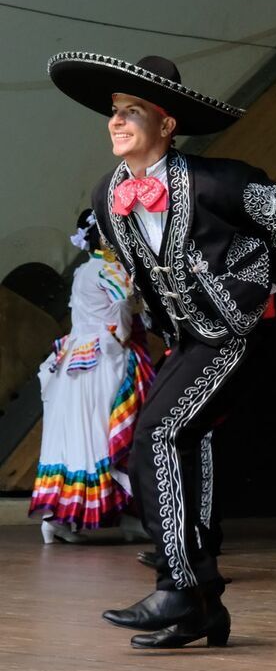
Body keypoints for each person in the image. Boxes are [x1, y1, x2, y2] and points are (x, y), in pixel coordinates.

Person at [48, 52, 276, 648]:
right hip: (189, 339)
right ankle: (201, 607)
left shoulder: (224, 179)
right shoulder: (108, 195)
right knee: (170, 443)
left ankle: (177, 585)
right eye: (114, 112)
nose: (117, 122)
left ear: (167, 126)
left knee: (159, 434)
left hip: (237, 331)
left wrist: (254, 283)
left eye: (132, 112)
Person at [30, 209, 154, 544]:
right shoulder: (109, 270)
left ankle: (56, 518)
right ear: (101, 236)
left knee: (73, 439)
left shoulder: (84, 271)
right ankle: (129, 516)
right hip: (105, 358)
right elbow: (124, 315)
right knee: (112, 432)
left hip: (74, 359)